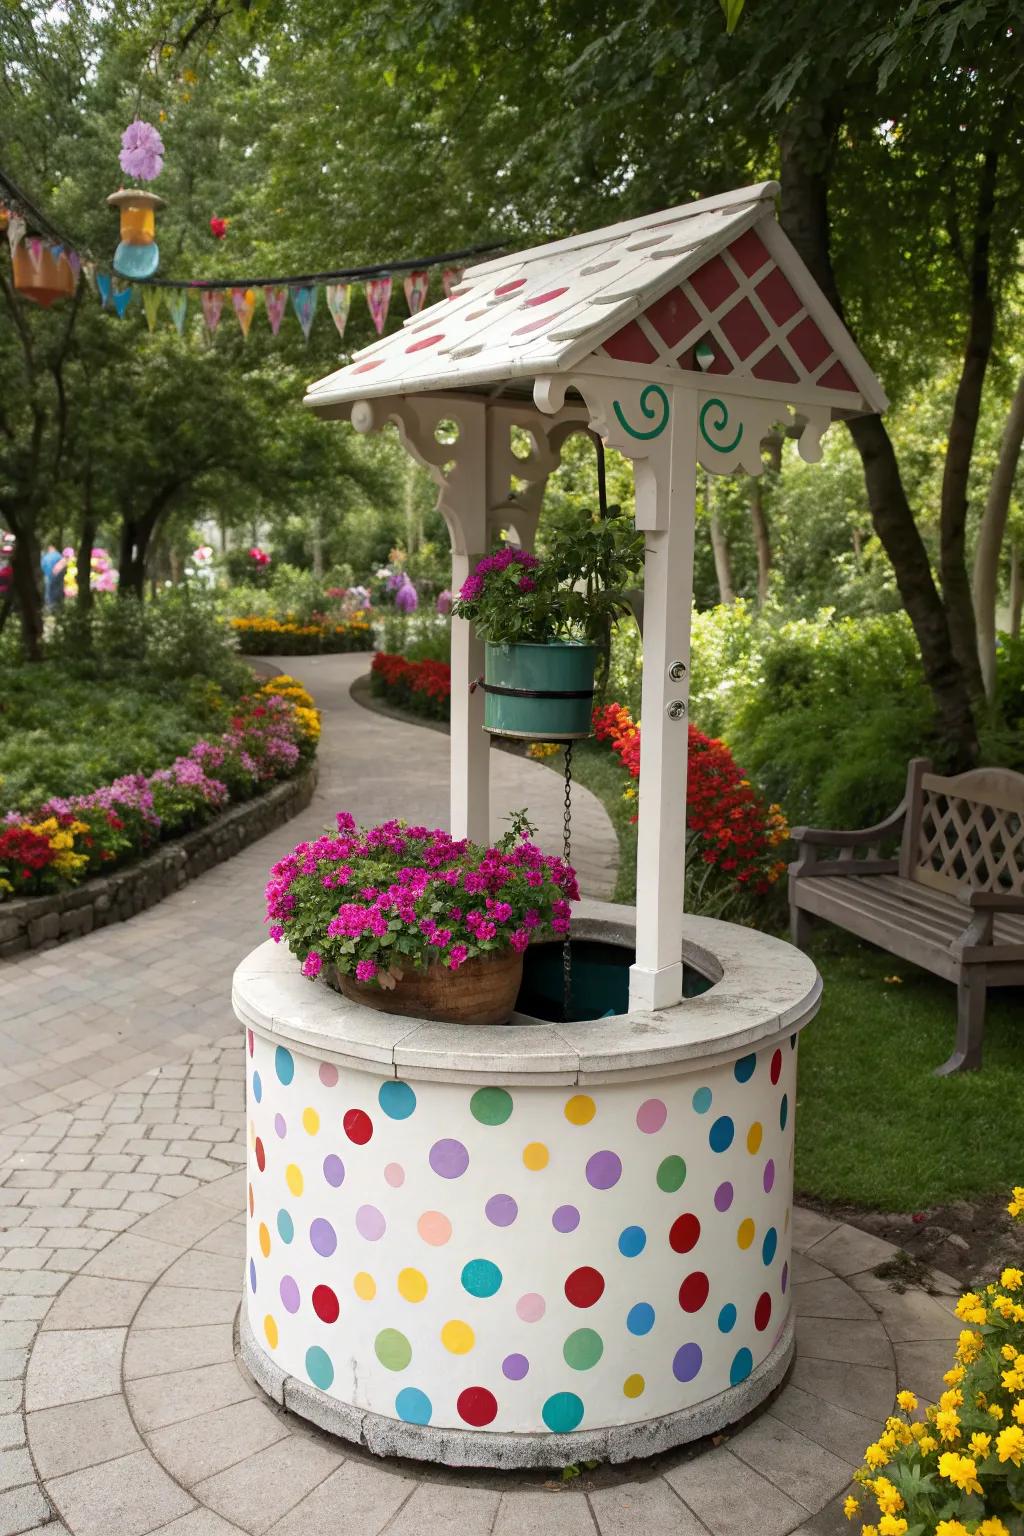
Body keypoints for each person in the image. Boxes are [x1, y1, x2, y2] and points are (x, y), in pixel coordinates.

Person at [40, 543, 67, 610]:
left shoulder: (45, 557)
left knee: (48, 592)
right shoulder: (59, 556)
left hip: (48, 576)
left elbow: (42, 566)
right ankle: (58, 607)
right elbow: (64, 565)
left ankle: (49, 608)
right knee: (58, 591)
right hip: (58, 577)